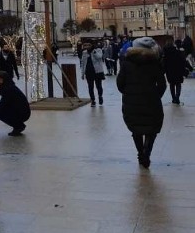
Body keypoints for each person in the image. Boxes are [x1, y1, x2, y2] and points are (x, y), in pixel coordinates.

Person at [117, 37, 167, 168]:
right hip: (151, 101)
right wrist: (156, 96)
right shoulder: (155, 62)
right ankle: (147, 153)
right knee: (152, 129)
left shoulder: (126, 63)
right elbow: (162, 84)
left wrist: (128, 94)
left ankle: (140, 154)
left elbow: (120, 83)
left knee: (136, 130)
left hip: (131, 102)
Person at [0, 70, 31, 136]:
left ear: (2, 80)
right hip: (22, 111)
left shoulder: (8, 89)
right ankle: (18, 125)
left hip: (22, 113)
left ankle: (18, 126)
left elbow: (3, 104)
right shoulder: (8, 86)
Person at [80, 41, 106, 106]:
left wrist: (94, 52)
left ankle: (100, 96)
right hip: (89, 72)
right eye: (86, 45)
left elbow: (99, 57)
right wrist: (82, 73)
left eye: (89, 45)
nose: (87, 47)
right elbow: (83, 63)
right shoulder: (84, 52)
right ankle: (93, 100)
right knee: (90, 87)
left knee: (99, 86)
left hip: (97, 71)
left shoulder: (98, 50)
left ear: (92, 45)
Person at [163, 40, 187, 105]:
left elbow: (164, 65)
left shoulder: (165, 55)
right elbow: (183, 62)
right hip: (178, 71)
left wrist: (163, 72)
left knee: (172, 85)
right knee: (178, 84)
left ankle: (173, 98)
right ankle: (177, 98)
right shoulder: (178, 52)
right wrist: (185, 70)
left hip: (170, 72)